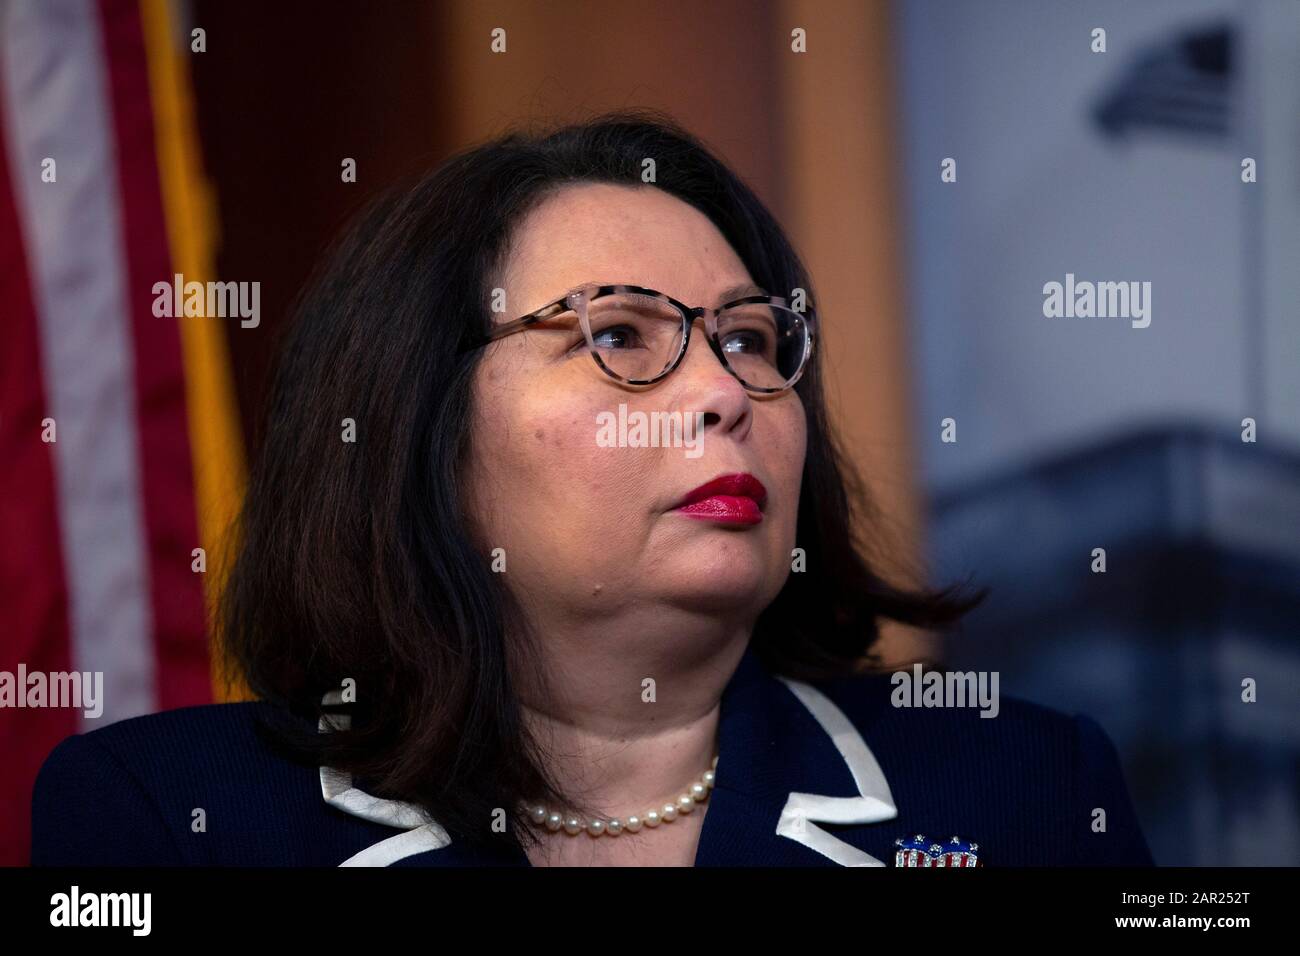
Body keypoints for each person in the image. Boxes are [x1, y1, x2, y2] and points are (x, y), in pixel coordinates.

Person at [30, 111, 1154, 867]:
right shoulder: (165, 818)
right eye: (619, 333)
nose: (725, 392)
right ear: (417, 417)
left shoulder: (1026, 788)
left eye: (754, 341)